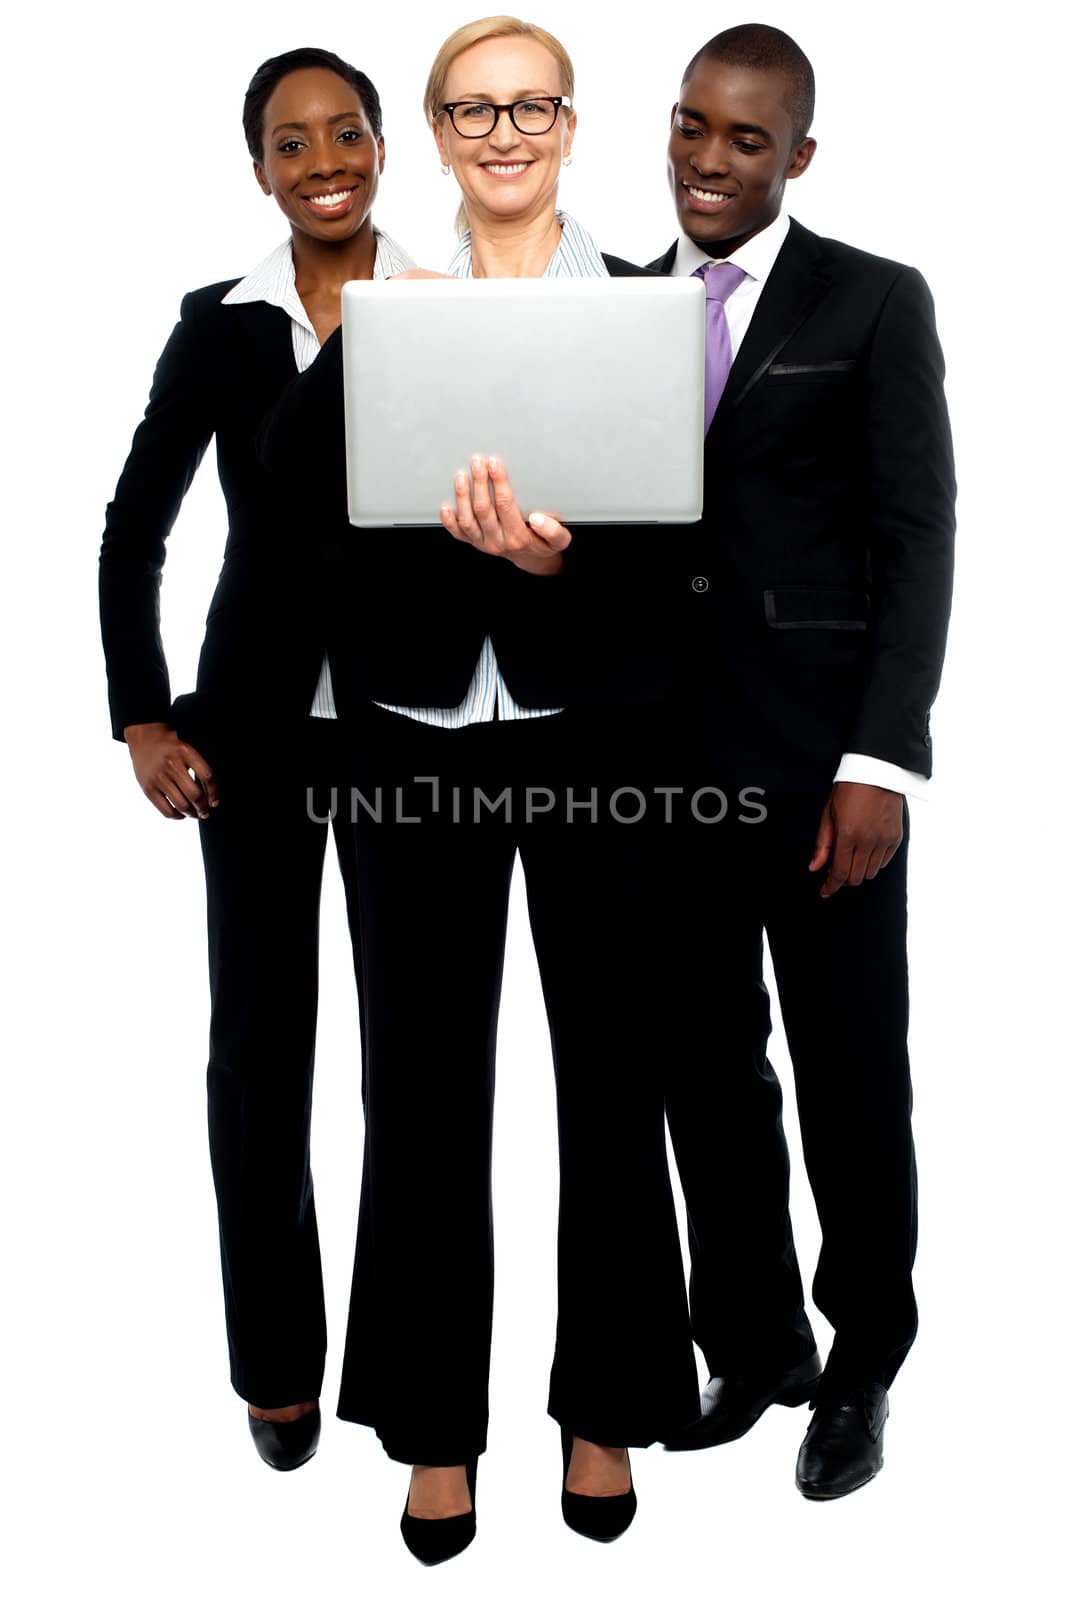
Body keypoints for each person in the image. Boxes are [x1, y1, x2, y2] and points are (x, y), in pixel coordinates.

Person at [259, 14, 699, 1565]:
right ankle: (433, 1429)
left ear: (572, 126)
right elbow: (294, 535)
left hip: (604, 739)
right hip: (406, 734)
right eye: (470, 109)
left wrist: (560, 563)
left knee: (612, 1080)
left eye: (532, 106)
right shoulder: (381, 313)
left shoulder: (653, 312)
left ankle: (607, 1401)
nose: (503, 131)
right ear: (436, 135)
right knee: (422, 1095)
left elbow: (688, 566)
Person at [643, 24, 955, 1498]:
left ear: (798, 156)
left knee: (847, 1080)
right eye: (694, 128)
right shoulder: (613, 307)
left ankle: (862, 1364)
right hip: (663, 774)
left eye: (746, 140)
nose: (711, 161)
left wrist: (878, 761)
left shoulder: (874, 301)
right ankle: (754, 1340)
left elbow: (916, 536)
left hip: (820, 766)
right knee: (704, 1075)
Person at [98, 48, 416, 1473]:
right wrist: (141, 712)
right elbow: (133, 529)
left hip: (417, 728)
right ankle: (275, 1359)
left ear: (380, 148)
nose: (324, 158)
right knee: (259, 1057)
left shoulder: (449, 307)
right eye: (291, 143)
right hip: (256, 732)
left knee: (415, 1067)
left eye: (344, 131)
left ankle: (414, 1376)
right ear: (261, 173)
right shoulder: (216, 328)